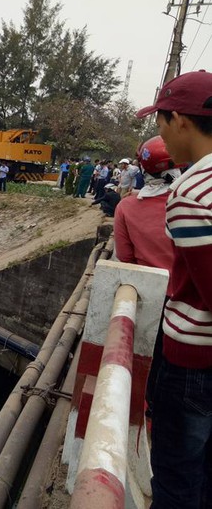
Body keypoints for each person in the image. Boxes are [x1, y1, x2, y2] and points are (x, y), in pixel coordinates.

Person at [135, 70, 212, 509]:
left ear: (180, 120)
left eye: (161, 120)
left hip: (193, 363)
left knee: (177, 479)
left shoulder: (192, 192)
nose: (159, 129)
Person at [114, 136, 180, 425]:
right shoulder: (193, 201)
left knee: (154, 365)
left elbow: (124, 260)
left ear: (141, 169)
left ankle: (152, 413)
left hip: (151, 299)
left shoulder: (127, 208)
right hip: (190, 302)